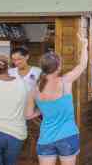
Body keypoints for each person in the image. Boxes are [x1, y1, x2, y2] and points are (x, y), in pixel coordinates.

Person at [25, 34, 88, 165]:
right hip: (68, 136)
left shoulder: (35, 89)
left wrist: (42, 110)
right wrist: (85, 45)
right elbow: (82, 65)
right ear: (58, 67)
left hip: (46, 138)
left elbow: (28, 115)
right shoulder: (65, 82)